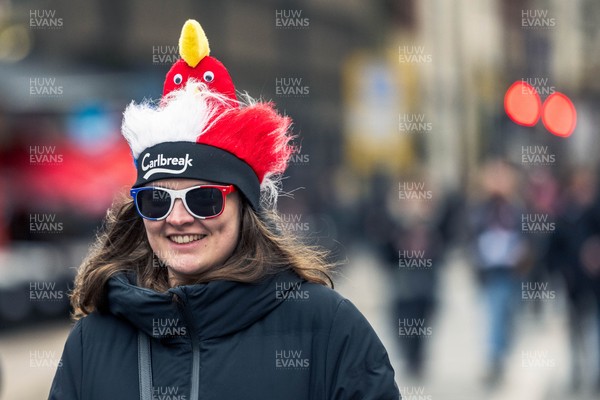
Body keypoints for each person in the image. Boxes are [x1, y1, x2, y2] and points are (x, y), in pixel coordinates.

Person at [48, 19, 400, 400]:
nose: (178, 218)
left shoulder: (328, 328)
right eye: (157, 200)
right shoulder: (91, 341)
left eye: (204, 199)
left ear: (244, 207)